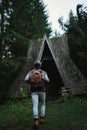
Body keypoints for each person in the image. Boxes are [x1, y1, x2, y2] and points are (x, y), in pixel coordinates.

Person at [25, 60, 49, 129]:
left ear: (34, 65)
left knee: (35, 105)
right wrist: (43, 79)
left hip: (33, 91)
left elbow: (26, 79)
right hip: (42, 90)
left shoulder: (30, 72)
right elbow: (48, 80)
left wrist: (31, 82)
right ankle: (42, 118)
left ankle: (36, 121)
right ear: (40, 65)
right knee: (43, 104)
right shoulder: (43, 72)